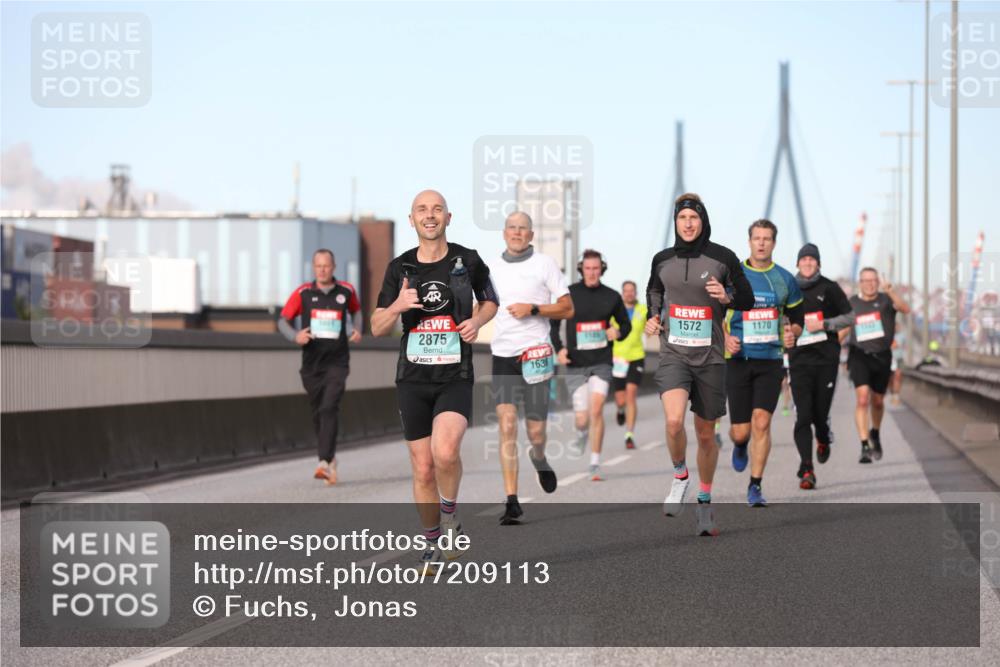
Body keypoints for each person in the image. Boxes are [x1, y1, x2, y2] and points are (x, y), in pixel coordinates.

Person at [371, 190, 498, 570]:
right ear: (412, 220)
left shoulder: (468, 260)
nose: (430, 216)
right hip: (412, 377)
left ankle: (449, 516)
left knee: (446, 452)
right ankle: (431, 542)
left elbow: (491, 300)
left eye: (437, 209)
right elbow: (377, 327)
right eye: (422, 210)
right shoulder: (400, 269)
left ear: (448, 217)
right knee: (423, 466)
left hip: (454, 374)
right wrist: (397, 306)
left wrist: (476, 321)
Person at [646, 193, 754, 536]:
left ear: (703, 220)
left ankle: (705, 502)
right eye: (682, 219)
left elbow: (747, 298)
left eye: (694, 218)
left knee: (706, 435)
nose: (688, 224)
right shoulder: (662, 259)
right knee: (674, 421)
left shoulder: (723, 258)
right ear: (675, 223)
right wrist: (652, 318)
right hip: (674, 354)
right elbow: (654, 292)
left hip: (710, 358)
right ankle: (680, 477)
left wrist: (727, 296)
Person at [488, 211, 574, 524]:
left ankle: (538, 457)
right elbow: (482, 306)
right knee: (507, 424)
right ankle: (511, 499)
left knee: (536, 431)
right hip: (503, 355)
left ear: (531, 235)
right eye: (512, 227)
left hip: (536, 354)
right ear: (504, 233)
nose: (517, 232)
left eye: (523, 228)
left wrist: (534, 308)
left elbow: (567, 307)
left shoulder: (544, 264)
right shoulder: (491, 269)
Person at [723, 219, 804, 507]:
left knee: (762, 422)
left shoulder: (785, 279)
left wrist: (791, 334)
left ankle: (755, 485)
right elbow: (716, 315)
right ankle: (739, 444)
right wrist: (725, 339)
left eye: (766, 238)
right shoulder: (733, 276)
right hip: (738, 359)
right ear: (749, 242)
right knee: (742, 430)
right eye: (756, 238)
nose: (761, 243)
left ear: (774, 243)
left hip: (770, 361)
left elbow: (798, 322)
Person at [278, 249, 362, 485]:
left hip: (337, 361)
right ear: (313, 268)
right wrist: (295, 336)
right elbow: (282, 319)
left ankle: (323, 462)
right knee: (319, 413)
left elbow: (357, 311)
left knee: (328, 407)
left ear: (334, 267)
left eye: (327, 265)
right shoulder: (304, 293)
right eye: (318, 266)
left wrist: (357, 329)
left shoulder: (346, 291)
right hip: (312, 363)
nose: (323, 270)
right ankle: (331, 458)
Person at [551, 249, 630, 482]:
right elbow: (553, 324)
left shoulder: (612, 296)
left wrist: (618, 331)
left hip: (602, 362)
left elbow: (625, 325)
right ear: (581, 269)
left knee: (596, 410)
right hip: (576, 363)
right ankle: (581, 432)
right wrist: (560, 349)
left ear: (602, 269)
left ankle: (595, 462)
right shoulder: (570, 294)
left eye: (596, 268)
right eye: (588, 268)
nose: (592, 273)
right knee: (582, 418)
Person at [786, 243, 854, 490]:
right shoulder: (788, 288)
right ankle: (807, 468)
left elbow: (850, 317)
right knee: (803, 415)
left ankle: (824, 438)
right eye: (803, 259)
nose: (807, 263)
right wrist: (784, 331)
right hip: (798, 360)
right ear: (797, 263)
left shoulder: (830, 288)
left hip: (826, 360)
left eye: (812, 259)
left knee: (819, 414)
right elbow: (778, 318)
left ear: (818, 263)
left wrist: (824, 324)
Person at [847, 268, 911, 463]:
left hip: (882, 357)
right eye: (866, 280)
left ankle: (875, 432)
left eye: (873, 280)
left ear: (878, 281)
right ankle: (864, 445)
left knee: (877, 401)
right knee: (863, 399)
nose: (870, 284)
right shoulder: (852, 303)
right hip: (859, 356)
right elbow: (843, 327)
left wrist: (891, 290)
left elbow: (905, 309)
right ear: (860, 282)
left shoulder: (885, 300)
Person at [612, 280, 649, 450]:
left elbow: (651, 327)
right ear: (622, 293)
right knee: (620, 399)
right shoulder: (614, 312)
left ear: (636, 293)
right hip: (617, 358)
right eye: (626, 291)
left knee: (631, 394)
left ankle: (629, 434)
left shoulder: (643, 310)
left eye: (631, 291)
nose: (629, 294)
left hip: (636, 356)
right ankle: (620, 410)